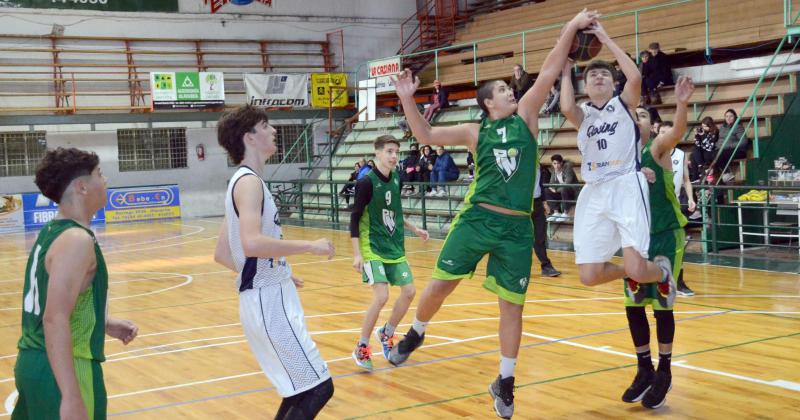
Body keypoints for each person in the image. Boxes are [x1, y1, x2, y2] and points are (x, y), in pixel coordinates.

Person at [389, 10, 601, 419]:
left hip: (517, 227)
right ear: (488, 102)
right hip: (477, 220)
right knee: (439, 287)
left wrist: (570, 26)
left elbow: (553, 65)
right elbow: (425, 135)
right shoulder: (475, 131)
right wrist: (404, 97)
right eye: (503, 89)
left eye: (510, 87)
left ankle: (505, 381)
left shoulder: (527, 116)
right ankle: (416, 332)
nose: (510, 91)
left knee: (513, 307)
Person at [214, 105, 336, 419]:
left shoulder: (240, 182)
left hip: (263, 296)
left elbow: (223, 254)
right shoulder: (250, 183)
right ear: (249, 138)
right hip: (268, 301)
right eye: (266, 125)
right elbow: (252, 244)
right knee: (318, 387)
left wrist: (278, 268)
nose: (273, 131)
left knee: (303, 390)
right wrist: (309, 245)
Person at [13, 147, 139, 420]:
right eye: (100, 174)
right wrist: (70, 396)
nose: (105, 181)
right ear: (82, 187)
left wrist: (101, 323)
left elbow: (55, 301)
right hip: (64, 366)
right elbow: (54, 318)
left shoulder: (52, 231)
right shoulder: (77, 240)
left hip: (34, 361)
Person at [559, 21, 677, 306]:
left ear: (613, 83)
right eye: (593, 75)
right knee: (588, 275)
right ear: (585, 86)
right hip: (594, 190)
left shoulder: (624, 105)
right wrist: (565, 67)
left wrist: (604, 37)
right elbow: (565, 106)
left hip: (625, 184)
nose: (598, 77)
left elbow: (635, 77)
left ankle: (661, 273)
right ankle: (634, 273)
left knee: (639, 266)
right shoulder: (583, 115)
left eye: (604, 74)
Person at [623, 76, 694, 409]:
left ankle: (664, 371)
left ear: (652, 126)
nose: (636, 119)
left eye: (642, 115)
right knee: (633, 304)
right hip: (635, 240)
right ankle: (643, 367)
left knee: (662, 305)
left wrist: (680, 104)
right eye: (632, 114)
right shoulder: (622, 160)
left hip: (665, 236)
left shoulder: (657, 149)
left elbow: (677, 132)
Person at [350, 135, 429, 370]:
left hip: (394, 245)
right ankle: (362, 346)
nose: (394, 156)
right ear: (377, 153)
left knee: (409, 291)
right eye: (389, 151)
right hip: (371, 247)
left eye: (396, 151)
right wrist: (357, 254)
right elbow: (354, 219)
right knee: (382, 296)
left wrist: (415, 228)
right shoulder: (365, 183)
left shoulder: (396, 178)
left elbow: (394, 211)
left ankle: (387, 332)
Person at [659, 121, 696, 296]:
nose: (664, 135)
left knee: (678, 245)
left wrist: (690, 198)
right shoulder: (652, 154)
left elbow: (686, 180)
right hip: (656, 206)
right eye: (661, 132)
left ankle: (678, 282)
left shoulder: (681, 155)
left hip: (673, 206)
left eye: (667, 132)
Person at [533, 165, 562, 277]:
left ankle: (546, 266)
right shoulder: (520, 164)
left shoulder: (538, 166)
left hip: (537, 203)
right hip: (522, 205)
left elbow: (539, 185)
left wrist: (544, 202)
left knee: (540, 237)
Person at [716, 108, 750, 175]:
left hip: (737, 150)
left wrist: (728, 146)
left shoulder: (738, 127)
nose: (728, 118)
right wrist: (717, 145)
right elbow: (719, 140)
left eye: (731, 116)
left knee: (720, 155)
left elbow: (744, 141)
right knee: (712, 154)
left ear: (735, 117)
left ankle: (727, 173)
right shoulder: (722, 127)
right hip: (723, 149)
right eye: (727, 116)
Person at [545, 154, 578, 221]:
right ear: (552, 163)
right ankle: (556, 212)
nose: (556, 166)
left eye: (558, 163)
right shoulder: (554, 170)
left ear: (561, 163)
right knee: (546, 190)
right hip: (562, 192)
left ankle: (566, 213)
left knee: (564, 189)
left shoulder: (568, 169)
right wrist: (552, 188)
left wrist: (556, 190)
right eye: (554, 163)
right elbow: (551, 183)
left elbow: (567, 183)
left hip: (572, 192)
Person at [689, 116, 719, 182]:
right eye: (702, 126)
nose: (704, 128)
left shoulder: (715, 132)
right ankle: (699, 169)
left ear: (710, 126)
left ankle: (697, 175)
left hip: (711, 152)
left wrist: (702, 135)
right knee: (694, 152)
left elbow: (709, 147)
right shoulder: (703, 131)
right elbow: (698, 144)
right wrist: (697, 135)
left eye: (705, 126)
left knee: (694, 155)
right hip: (703, 152)